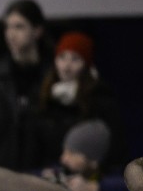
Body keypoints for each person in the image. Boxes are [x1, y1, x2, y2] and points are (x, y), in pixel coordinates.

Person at [0, 0, 52, 171]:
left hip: (44, 170)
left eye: (19, 26)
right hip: (2, 172)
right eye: (8, 27)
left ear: (37, 31)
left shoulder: (52, 76)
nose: (11, 34)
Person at [34, 31, 126, 179]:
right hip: (53, 178)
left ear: (86, 64)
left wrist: (95, 171)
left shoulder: (100, 99)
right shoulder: (45, 97)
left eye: (75, 59)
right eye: (62, 57)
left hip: (89, 182)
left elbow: (117, 148)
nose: (66, 66)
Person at [42, 119, 126, 191]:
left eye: (71, 153)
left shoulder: (113, 176)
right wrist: (45, 178)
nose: (63, 159)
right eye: (64, 151)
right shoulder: (64, 171)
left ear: (93, 160)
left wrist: (92, 189)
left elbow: (129, 185)